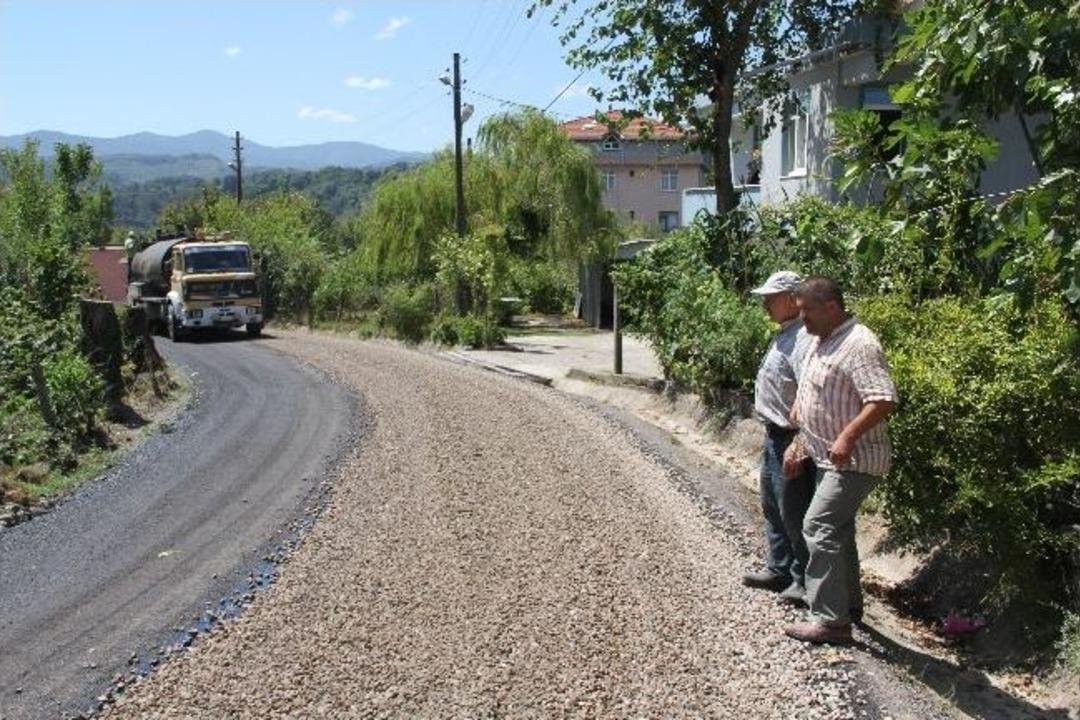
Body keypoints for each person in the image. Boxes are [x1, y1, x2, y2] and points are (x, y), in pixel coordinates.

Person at [783, 276, 898, 645]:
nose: (803, 319)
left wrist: (847, 436)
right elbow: (818, 396)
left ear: (832, 307)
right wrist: (800, 439)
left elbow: (882, 399)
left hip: (855, 460)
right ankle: (847, 608)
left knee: (818, 526)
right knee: (838, 530)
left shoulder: (859, 343)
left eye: (807, 311)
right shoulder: (824, 340)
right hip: (826, 456)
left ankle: (831, 622)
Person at [741, 271, 815, 607]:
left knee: (793, 510)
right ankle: (780, 568)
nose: (764, 304)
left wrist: (799, 441)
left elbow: (809, 393)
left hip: (790, 436)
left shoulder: (802, 339)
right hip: (773, 433)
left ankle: (801, 580)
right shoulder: (785, 334)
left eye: (770, 297)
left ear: (791, 297)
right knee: (772, 506)